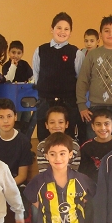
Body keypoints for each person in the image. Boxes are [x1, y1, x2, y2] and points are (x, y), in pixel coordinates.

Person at [33, 12, 84, 142]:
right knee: (44, 138)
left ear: (70, 32)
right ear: (52, 29)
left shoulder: (76, 53)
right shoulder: (40, 50)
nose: (62, 32)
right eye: (59, 28)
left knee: (67, 139)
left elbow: (80, 78)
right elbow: (37, 75)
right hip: (45, 102)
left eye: (66, 29)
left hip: (68, 103)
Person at [36, 106, 80, 173]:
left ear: (66, 124)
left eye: (61, 122)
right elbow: (43, 172)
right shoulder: (41, 146)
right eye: (52, 122)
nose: (56, 126)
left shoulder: (74, 146)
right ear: (46, 125)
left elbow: (74, 172)